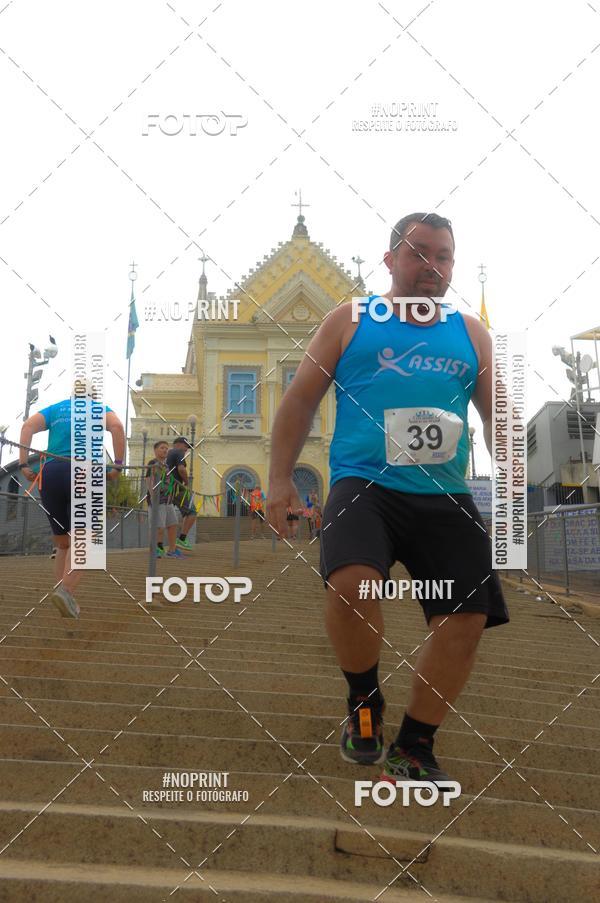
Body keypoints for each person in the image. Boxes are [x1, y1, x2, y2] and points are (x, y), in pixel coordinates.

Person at [267, 212, 509, 787]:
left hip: (443, 491)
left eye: (443, 256)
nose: (432, 266)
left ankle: (415, 745)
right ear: (390, 258)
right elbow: (300, 400)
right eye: (418, 253)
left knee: (467, 617)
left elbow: (497, 412)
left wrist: (515, 479)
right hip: (364, 483)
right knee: (351, 583)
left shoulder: (472, 333)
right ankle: (364, 703)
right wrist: (279, 479)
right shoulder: (350, 320)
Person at [19, 383, 125, 618]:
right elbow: (117, 427)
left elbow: (27, 426)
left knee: (63, 542)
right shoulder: (99, 409)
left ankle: (61, 590)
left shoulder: (56, 409)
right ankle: (66, 591)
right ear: (92, 396)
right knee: (85, 539)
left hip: (52, 471)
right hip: (85, 471)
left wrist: (24, 463)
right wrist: (117, 465)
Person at [145, 440, 183, 559]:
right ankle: (156, 549)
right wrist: (153, 496)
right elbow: (149, 480)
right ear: (155, 450)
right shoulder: (153, 463)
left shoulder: (166, 466)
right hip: (158, 500)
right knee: (158, 526)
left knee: (173, 524)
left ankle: (172, 550)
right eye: (162, 448)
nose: (165, 450)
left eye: (166, 448)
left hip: (168, 500)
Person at [166, 437, 197, 550]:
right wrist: (187, 484)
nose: (187, 450)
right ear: (179, 445)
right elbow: (181, 469)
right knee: (192, 511)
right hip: (177, 487)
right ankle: (182, 539)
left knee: (168, 518)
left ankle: (166, 547)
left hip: (166, 487)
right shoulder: (178, 452)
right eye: (186, 447)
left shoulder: (168, 454)